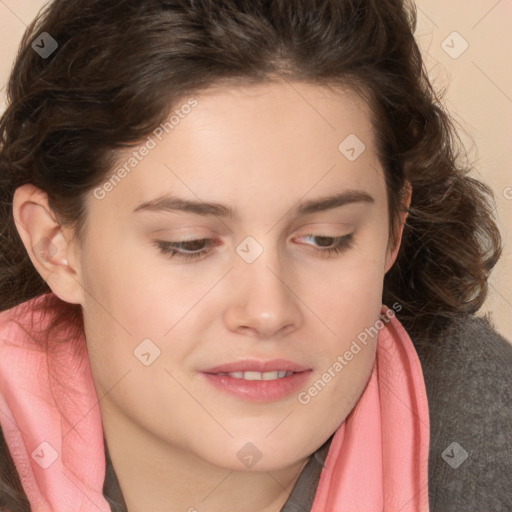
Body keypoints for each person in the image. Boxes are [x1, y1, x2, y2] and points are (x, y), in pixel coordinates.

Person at [0, 1, 510, 511]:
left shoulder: (485, 427)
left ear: (392, 231)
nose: (267, 312)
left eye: (326, 238)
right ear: (55, 245)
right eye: (189, 243)